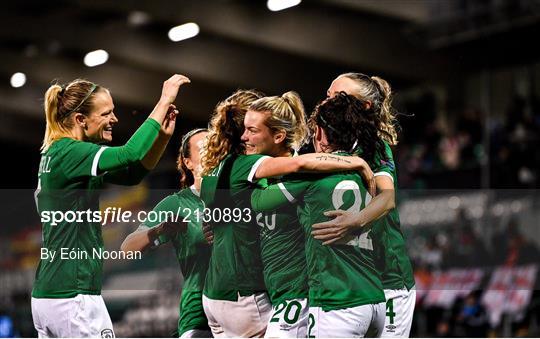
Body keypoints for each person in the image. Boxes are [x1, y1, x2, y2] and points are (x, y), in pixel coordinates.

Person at [199, 90, 375, 337]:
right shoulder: (250, 172)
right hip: (270, 293)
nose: (244, 137)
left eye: (252, 131)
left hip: (298, 294)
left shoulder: (309, 174)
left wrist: (358, 165)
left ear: (279, 136)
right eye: (244, 129)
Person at [32, 74, 190, 337]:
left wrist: (161, 138)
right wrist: (163, 101)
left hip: (51, 295)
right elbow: (130, 153)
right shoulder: (70, 152)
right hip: (73, 296)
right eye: (106, 113)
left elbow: (131, 174)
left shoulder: (59, 154)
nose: (114, 119)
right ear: (80, 120)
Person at [251, 93, 387, 337]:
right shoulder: (366, 172)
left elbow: (259, 201)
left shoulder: (312, 175)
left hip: (338, 301)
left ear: (321, 133)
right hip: (375, 298)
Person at [312, 72, 416, 337]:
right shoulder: (322, 146)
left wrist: (353, 222)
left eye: (338, 97)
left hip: (388, 277)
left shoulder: (375, 148)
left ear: (365, 106)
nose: (328, 102)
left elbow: (387, 198)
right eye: (327, 95)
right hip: (351, 282)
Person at [121, 128, 211, 338]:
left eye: (214, 147)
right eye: (202, 149)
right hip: (200, 312)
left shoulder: (239, 194)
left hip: (244, 305)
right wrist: (158, 230)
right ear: (188, 163)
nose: (210, 153)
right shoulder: (177, 203)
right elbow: (127, 248)